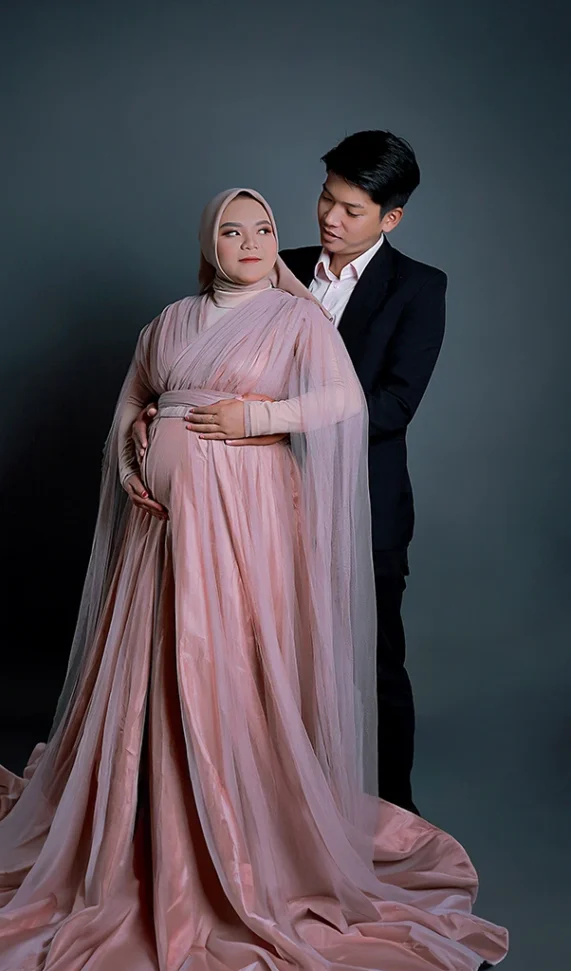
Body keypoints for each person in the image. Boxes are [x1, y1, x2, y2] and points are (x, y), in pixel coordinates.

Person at [0, 189, 507, 971]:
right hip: (158, 530)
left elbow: (343, 403)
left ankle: (236, 829)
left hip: (248, 522)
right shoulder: (168, 321)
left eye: (264, 229)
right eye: (233, 231)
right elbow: (131, 403)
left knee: (230, 656)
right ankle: (148, 819)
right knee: (158, 659)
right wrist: (131, 462)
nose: (252, 242)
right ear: (209, 243)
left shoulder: (296, 321)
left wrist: (256, 418)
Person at [134, 132, 443, 814]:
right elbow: (207, 354)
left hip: (363, 501)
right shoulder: (277, 262)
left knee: (373, 657)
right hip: (254, 500)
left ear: (390, 218)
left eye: (351, 210)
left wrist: (271, 419)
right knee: (260, 648)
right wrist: (165, 410)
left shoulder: (419, 288)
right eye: (325, 199)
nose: (329, 218)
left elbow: (393, 404)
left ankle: (390, 811)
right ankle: (270, 801)